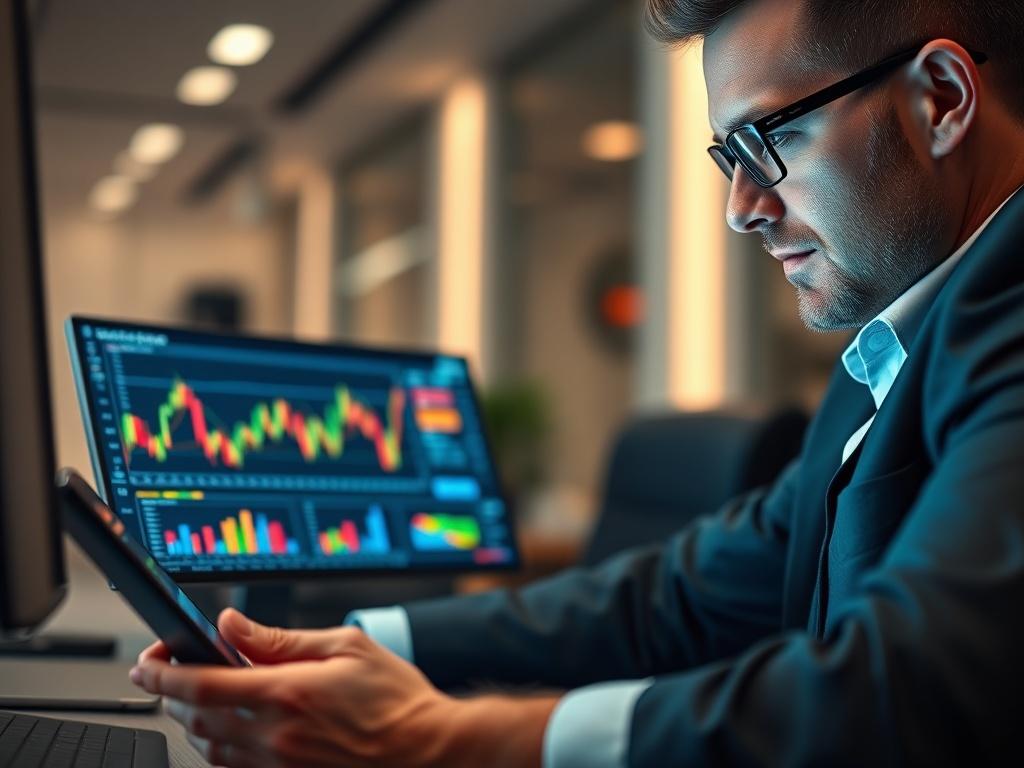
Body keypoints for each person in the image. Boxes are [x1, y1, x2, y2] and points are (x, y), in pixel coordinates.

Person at [130, 0, 1024, 765]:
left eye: (768, 137)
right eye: (728, 157)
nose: (743, 207)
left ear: (940, 99)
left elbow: (918, 685)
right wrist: (363, 647)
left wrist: (442, 738)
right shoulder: (891, 358)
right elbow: (684, 595)